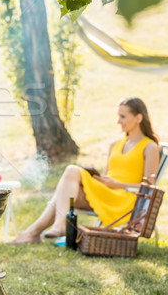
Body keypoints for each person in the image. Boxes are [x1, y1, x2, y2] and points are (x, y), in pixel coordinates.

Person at [8, 97, 159, 244]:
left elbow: (150, 188)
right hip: (106, 192)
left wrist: (117, 184)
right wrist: (100, 179)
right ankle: (35, 233)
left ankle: (41, 230)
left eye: (123, 116)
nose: (118, 121)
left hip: (125, 198)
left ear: (138, 118)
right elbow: (107, 175)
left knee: (71, 171)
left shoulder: (149, 146)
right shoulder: (115, 144)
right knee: (65, 192)